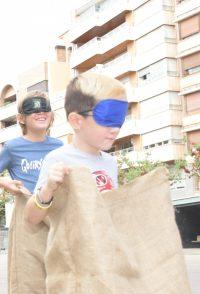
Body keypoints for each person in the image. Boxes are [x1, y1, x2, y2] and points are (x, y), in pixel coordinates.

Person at [25, 72, 126, 225]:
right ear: (76, 121)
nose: (115, 129)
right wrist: (48, 189)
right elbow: (31, 218)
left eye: (120, 118)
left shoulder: (110, 162)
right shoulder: (58, 160)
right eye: (107, 119)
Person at [0, 91, 63, 195]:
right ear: (21, 118)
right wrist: (6, 184)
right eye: (33, 110)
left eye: (45, 108)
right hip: (26, 207)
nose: (41, 113)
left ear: (51, 115)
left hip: (57, 207)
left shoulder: (59, 146)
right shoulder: (12, 147)